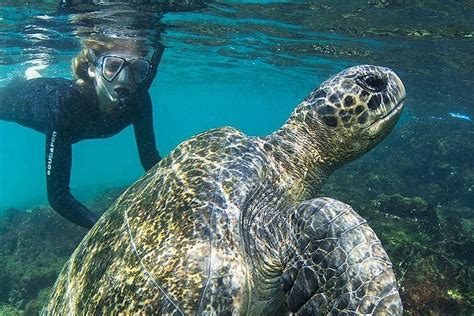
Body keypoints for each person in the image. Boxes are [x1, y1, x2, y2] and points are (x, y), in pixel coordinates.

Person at [0, 38, 164, 229]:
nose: (124, 78)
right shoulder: (66, 108)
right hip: (25, 98)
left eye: (136, 69)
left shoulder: (139, 100)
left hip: (56, 86)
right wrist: (106, 228)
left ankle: (33, 74)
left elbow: (149, 159)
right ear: (93, 69)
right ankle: (30, 76)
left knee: (41, 82)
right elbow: (58, 196)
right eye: (113, 66)